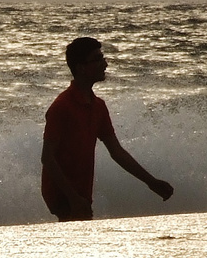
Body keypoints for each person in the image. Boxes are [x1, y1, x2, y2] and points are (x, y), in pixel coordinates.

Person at [40, 37, 173, 221]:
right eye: (98, 59)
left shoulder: (98, 106)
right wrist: (73, 197)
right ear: (80, 68)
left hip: (82, 192)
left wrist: (151, 182)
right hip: (62, 194)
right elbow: (47, 157)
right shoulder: (62, 106)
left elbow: (117, 151)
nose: (105, 64)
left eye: (103, 58)